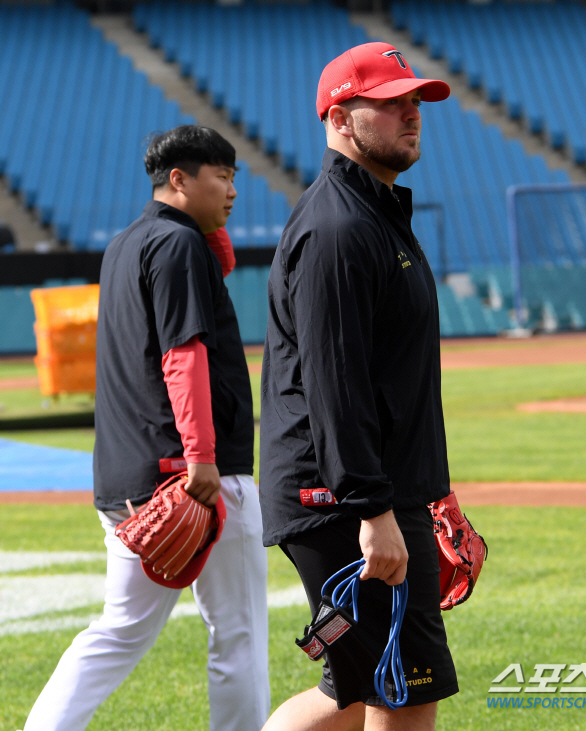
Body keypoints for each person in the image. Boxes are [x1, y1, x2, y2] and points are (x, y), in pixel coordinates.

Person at [22, 125, 269, 731]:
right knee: (237, 633)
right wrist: (201, 456)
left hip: (128, 480)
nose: (233, 190)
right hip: (194, 477)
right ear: (179, 179)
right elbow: (183, 355)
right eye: (222, 176)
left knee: (118, 630)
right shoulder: (178, 245)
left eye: (234, 176)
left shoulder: (126, 244)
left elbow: (216, 271)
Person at [259, 43, 455, 731]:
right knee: (404, 687)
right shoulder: (338, 228)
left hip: (367, 490)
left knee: (354, 686)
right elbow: (334, 384)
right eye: (393, 102)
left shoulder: (371, 215)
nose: (413, 113)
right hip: (344, 499)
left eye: (416, 100)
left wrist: (428, 490)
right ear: (340, 118)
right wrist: (374, 512)